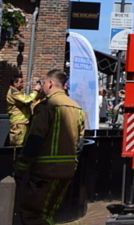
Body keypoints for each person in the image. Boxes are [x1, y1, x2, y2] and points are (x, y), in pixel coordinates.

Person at [14, 70, 86, 225]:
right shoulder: (77, 108)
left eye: (43, 83)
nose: (42, 86)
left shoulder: (46, 106)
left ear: (50, 83)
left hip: (44, 172)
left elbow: (35, 139)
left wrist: (21, 167)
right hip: (67, 170)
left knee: (32, 215)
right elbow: (79, 144)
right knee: (48, 214)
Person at [6, 73, 41, 147]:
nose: (23, 84)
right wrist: (36, 90)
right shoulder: (13, 92)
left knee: (23, 144)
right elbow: (27, 101)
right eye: (21, 82)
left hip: (23, 122)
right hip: (18, 123)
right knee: (17, 144)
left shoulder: (17, 92)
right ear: (15, 83)